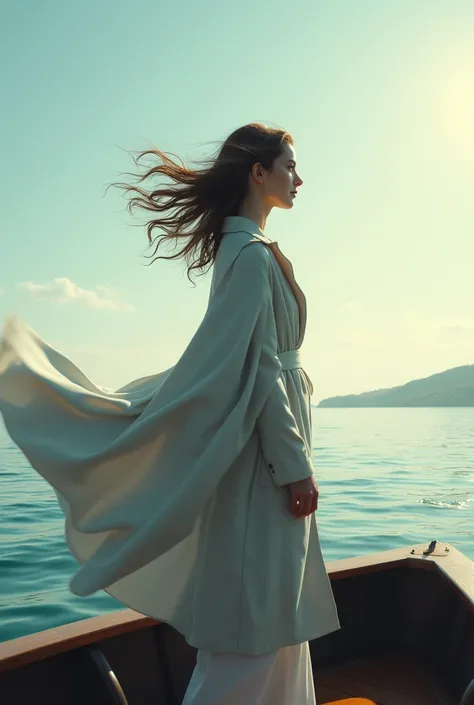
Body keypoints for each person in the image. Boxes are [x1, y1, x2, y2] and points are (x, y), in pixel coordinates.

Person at [0, 123, 340, 704]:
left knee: (278, 620)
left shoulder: (247, 252)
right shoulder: (250, 259)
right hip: (266, 466)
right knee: (252, 627)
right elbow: (256, 367)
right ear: (257, 172)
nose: (299, 178)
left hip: (268, 457)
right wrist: (294, 466)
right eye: (289, 165)